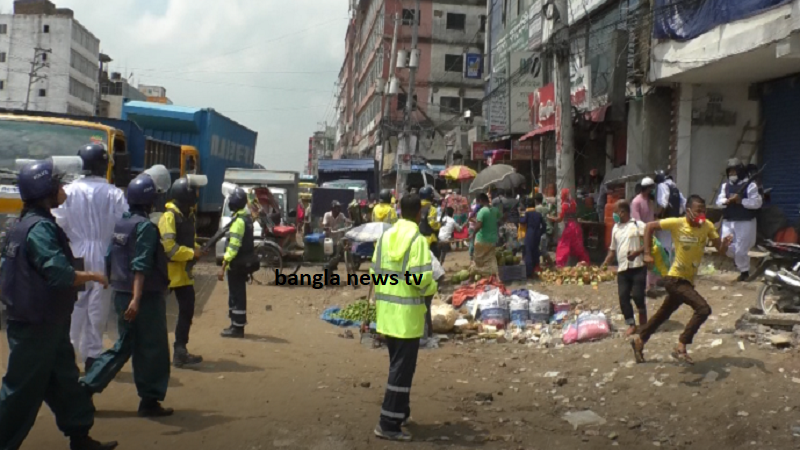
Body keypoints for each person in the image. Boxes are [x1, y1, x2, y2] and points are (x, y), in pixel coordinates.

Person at [0, 159, 118, 450]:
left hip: (47, 322)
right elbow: (59, 273)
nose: (63, 189)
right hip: (35, 327)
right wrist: (93, 275)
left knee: (65, 382)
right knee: (20, 391)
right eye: (57, 185)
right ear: (45, 191)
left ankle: (80, 436)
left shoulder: (24, 225)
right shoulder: (39, 229)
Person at [82, 172, 173, 418]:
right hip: (143, 298)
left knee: (124, 346)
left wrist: (119, 289)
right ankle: (149, 400)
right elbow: (141, 265)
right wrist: (136, 298)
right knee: (153, 349)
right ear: (149, 201)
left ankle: (86, 387)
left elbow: (110, 257)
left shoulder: (121, 224)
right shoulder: (145, 227)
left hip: (121, 292)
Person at [53, 143, 128, 373]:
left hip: (76, 253)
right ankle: (92, 357)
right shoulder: (115, 194)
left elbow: (58, 221)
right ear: (104, 165)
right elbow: (123, 224)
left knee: (75, 305)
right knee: (98, 307)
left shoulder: (69, 191)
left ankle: (69, 355)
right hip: (104, 254)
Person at [632, 195, 733, 365]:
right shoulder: (678, 223)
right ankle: (681, 345)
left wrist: (724, 244)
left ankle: (639, 342)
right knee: (703, 309)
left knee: (662, 315)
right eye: (698, 211)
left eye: (704, 211)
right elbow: (649, 226)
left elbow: (720, 250)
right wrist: (647, 253)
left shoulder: (707, 226)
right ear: (688, 212)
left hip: (687, 281)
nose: (702, 214)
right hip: (675, 279)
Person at [371, 194, 436, 441]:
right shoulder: (418, 241)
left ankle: (401, 413)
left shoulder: (385, 237)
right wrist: (431, 289)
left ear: (398, 211)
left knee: (399, 367)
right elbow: (419, 279)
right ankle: (387, 423)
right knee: (401, 370)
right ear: (419, 214)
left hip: (387, 316)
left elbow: (374, 273)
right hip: (407, 318)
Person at [159, 177, 204, 368]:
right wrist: (192, 253)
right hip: (167, 274)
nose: (196, 194)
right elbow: (169, 248)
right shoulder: (168, 217)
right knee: (156, 316)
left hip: (184, 274)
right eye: (194, 191)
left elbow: (188, 241)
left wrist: (197, 249)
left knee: (187, 311)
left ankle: (180, 351)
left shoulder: (189, 216)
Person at [602, 200, 648, 336]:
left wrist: (637, 252)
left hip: (638, 266)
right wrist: (604, 264)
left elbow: (649, 243)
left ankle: (644, 323)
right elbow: (612, 250)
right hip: (622, 268)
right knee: (623, 297)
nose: (614, 215)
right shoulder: (615, 228)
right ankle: (631, 324)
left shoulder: (638, 225)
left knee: (638, 295)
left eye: (615, 212)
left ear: (623, 212)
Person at [716, 158, 762, 281]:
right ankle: (739, 261)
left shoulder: (750, 185)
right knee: (725, 246)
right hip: (729, 220)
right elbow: (719, 202)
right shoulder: (725, 186)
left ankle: (744, 272)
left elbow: (757, 203)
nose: (732, 175)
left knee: (741, 250)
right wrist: (727, 201)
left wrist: (741, 201)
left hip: (745, 221)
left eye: (734, 172)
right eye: (730, 173)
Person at [219, 188, 256, 338]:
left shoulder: (239, 222)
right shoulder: (246, 219)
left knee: (236, 294)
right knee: (237, 293)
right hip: (243, 264)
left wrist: (223, 265)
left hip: (237, 264)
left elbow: (233, 247)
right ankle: (235, 324)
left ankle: (237, 327)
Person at [631, 177, 659, 294]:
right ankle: (640, 286)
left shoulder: (650, 201)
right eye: (651, 188)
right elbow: (636, 220)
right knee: (640, 260)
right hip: (641, 234)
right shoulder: (636, 202)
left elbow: (652, 217)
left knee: (651, 259)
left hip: (651, 233)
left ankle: (650, 285)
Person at [549, 189, 590, 267]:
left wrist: (550, 218)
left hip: (569, 228)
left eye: (561, 194)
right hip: (576, 227)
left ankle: (560, 265)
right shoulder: (573, 203)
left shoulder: (564, 205)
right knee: (578, 246)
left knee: (563, 245)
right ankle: (585, 262)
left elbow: (560, 219)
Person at [654, 170, 686, 266]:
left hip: (665, 220)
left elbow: (663, 203)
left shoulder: (662, 186)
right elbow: (684, 203)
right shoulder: (675, 187)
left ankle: (665, 268)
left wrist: (657, 215)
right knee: (672, 246)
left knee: (663, 245)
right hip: (675, 220)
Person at [472, 193, 501, 277]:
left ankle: (471, 278)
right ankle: (495, 277)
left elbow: (479, 225)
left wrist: (473, 234)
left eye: (478, 202)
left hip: (481, 239)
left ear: (480, 201)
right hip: (492, 240)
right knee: (491, 260)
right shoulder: (495, 210)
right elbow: (502, 217)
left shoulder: (482, 211)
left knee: (477, 260)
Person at [519, 197, 547, 277]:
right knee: (535, 251)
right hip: (537, 234)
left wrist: (520, 215)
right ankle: (536, 268)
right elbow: (544, 225)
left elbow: (523, 221)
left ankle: (529, 272)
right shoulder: (538, 214)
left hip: (530, 233)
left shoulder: (527, 213)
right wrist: (541, 232)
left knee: (528, 251)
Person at [323, 200, 352, 271]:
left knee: (339, 252)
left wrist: (350, 222)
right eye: (337, 208)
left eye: (339, 208)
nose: (338, 210)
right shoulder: (327, 215)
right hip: (329, 237)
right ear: (332, 209)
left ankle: (333, 264)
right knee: (330, 255)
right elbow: (324, 224)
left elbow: (346, 220)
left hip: (337, 237)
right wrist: (327, 228)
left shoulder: (341, 215)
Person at [418, 186, 442, 259]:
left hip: (418, 239)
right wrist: (439, 225)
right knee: (434, 259)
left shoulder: (416, 207)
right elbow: (432, 223)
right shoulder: (431, 208)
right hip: (430, 240)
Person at [533, 194, 554, 266]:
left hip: (540, 230)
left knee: (542, 249)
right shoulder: (546, 208)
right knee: (544, 246)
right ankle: (545, 263)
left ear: (535, 201)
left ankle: (552, 265)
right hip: (547, 229)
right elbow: (550, 209)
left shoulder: (536, 209)